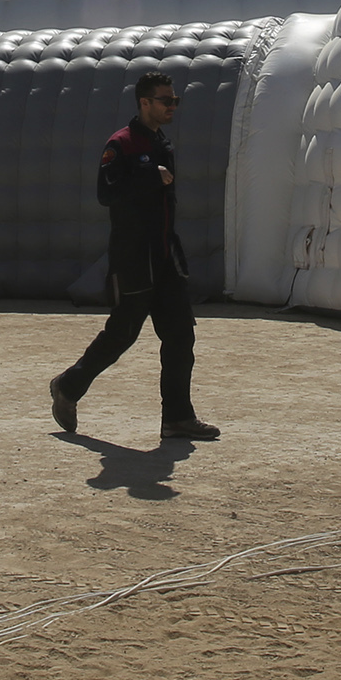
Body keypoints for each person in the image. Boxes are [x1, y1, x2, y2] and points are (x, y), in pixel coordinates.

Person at [50, 70, 220, 440]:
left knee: (180, 336)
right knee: (123, 333)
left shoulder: (162, 143)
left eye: (174, 100)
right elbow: (106, 194)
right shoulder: (121, 144)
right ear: (145, 103)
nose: (172, 106)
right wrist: (148, 178)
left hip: (164, 256)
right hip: (134, 257)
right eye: (166, 100)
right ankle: (68, 386)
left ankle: (177, 418)